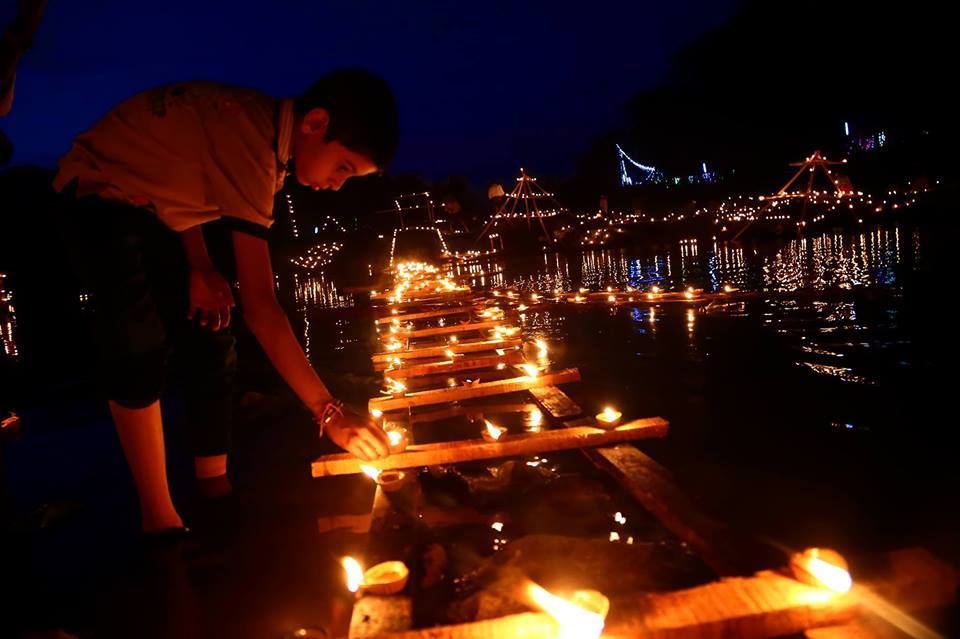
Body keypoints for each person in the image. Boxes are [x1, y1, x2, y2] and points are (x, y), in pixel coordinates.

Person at [53, 69, 395, 536]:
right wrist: (330, 413)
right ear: (315, 123)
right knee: (136, 338)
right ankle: (159, 518)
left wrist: (201, 267)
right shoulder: (251, 138)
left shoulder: (266, 145)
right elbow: (262, 305)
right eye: (344, 168)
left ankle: (214, 489)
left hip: (157, 211)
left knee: (214, 326)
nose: (337, 184)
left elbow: (181, 187)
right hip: (94, 193)